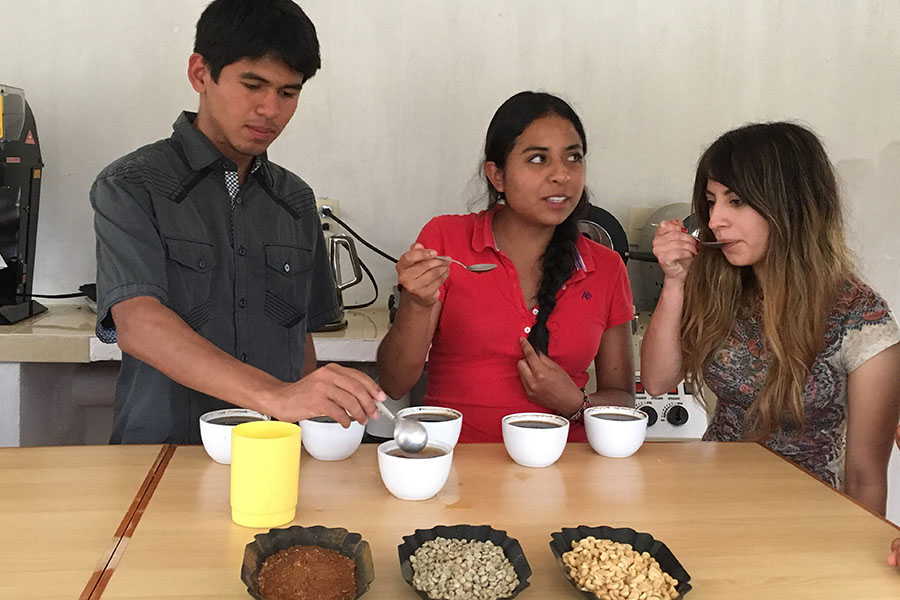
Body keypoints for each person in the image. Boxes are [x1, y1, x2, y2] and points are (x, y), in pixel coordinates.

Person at [90, 0, 383, 444]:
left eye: (288, 92)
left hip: (275, 456)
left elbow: (299, 338)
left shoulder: (296, 200)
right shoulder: (131, 184)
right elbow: (138, 325)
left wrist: (314, 428)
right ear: (200, 73)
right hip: (162, 454)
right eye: (253, 84)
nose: (270, 109)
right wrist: (276, 395)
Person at [641, 122, 900, 515]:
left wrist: (854, 570)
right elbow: (658, 382)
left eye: (736, 201)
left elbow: (865, 478)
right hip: (710, 501)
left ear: (790, 205)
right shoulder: (722, 285)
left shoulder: (861, 320)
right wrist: (675, 283)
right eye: (711, 201)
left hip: (807, 518)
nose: (715, 220)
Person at [376, 91, 635, 443]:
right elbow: (394, 382)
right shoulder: (446, 239)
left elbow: (622, 399)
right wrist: (415, 305)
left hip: (566, 472)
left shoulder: (606, 267)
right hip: (458, 470)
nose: (561, 175)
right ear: (497, 176)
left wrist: (575, 403)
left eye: (573, 158)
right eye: (538, 159)